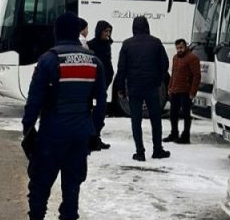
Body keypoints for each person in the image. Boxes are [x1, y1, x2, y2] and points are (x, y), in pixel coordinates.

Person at [9, 12, 107, 220]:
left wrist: (28, 130)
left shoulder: (49, 60)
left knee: (40, 187)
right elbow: (102, 102)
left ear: (57, 32)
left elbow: (34, 102)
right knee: (72, 186)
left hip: (52, 135)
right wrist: (94, 131)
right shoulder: (94, 61)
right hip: (80, 136)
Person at [114, 16, 170, 162]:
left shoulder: (127, 44)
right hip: (152, 87)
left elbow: (121, 68)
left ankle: (140, 152)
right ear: (147, 26)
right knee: (155, 119)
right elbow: (164, 64)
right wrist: (158, 80)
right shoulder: (156, 42)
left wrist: (121, 87)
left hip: (134, 87)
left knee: (136, 120)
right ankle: (157, 149)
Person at [165, 39, 201, 144]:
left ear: (186, 46)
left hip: (186, 91)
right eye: (177, 48)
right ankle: (174, 133)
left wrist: (192, 92)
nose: (179, 50)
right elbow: (173, 74)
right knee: (173, 114)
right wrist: (170, 87)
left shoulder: (192, 58)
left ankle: (186, 136)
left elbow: (196, 76)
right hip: (175, 90)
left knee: (186, 114)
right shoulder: (175, 58)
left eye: (181, 47)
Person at [86, 20, 114, 151]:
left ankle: (96, 137)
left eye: (109, 32)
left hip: (103, 82)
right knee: (91, 111)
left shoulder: (107, 45)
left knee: (101, 112)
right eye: (105, 31)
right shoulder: (91, 45)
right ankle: (91, 138)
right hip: (93, 82)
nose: (107, 34)